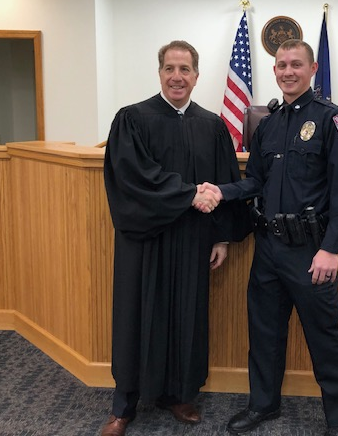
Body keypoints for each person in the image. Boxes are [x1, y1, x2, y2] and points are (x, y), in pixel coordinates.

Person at [199, 39, 338, 436]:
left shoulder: (332, 120)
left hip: (310, 252)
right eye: (282, 65)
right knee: (265, 332)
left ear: (312, 69)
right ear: (274, 71)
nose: (288, 71)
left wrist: (331, 249)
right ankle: (263, 405)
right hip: (267, 248)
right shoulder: (267, 125)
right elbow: (255, 181)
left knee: (324, 336)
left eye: (296, 65)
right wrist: (221, 191)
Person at [101, 40, 249, 436]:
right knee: (137, 315)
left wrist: (220, 238)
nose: (177, 76)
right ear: (160, 73)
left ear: (197, 76)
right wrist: (188, 194)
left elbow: (224, 181)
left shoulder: (211, 125)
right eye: (170, 68)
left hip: (192, 239)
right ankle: (124, 404)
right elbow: (132, 176)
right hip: (146, 240)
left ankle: (179, 394)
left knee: (187, 315)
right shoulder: (132, 119)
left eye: (185, 69)